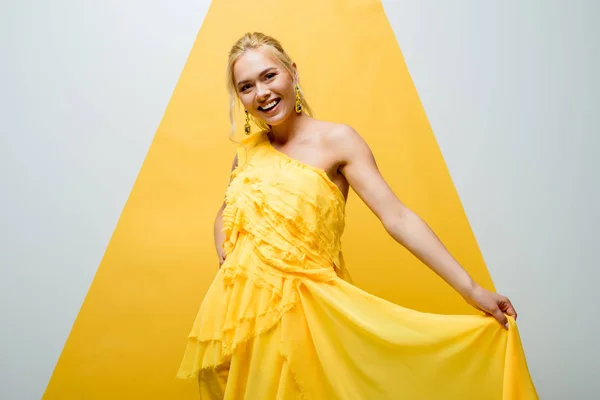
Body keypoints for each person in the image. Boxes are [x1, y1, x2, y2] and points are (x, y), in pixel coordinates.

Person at [177, 32, 538, 399]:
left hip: (306, 319)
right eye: (247, 86)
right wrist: (226, 254)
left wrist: (471, 289)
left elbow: (397, 218)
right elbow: (226, 212)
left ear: (292, 72)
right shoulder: (247, 152)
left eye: (269, 76)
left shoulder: (338, 141)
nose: (262, 93)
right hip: (238, 320)